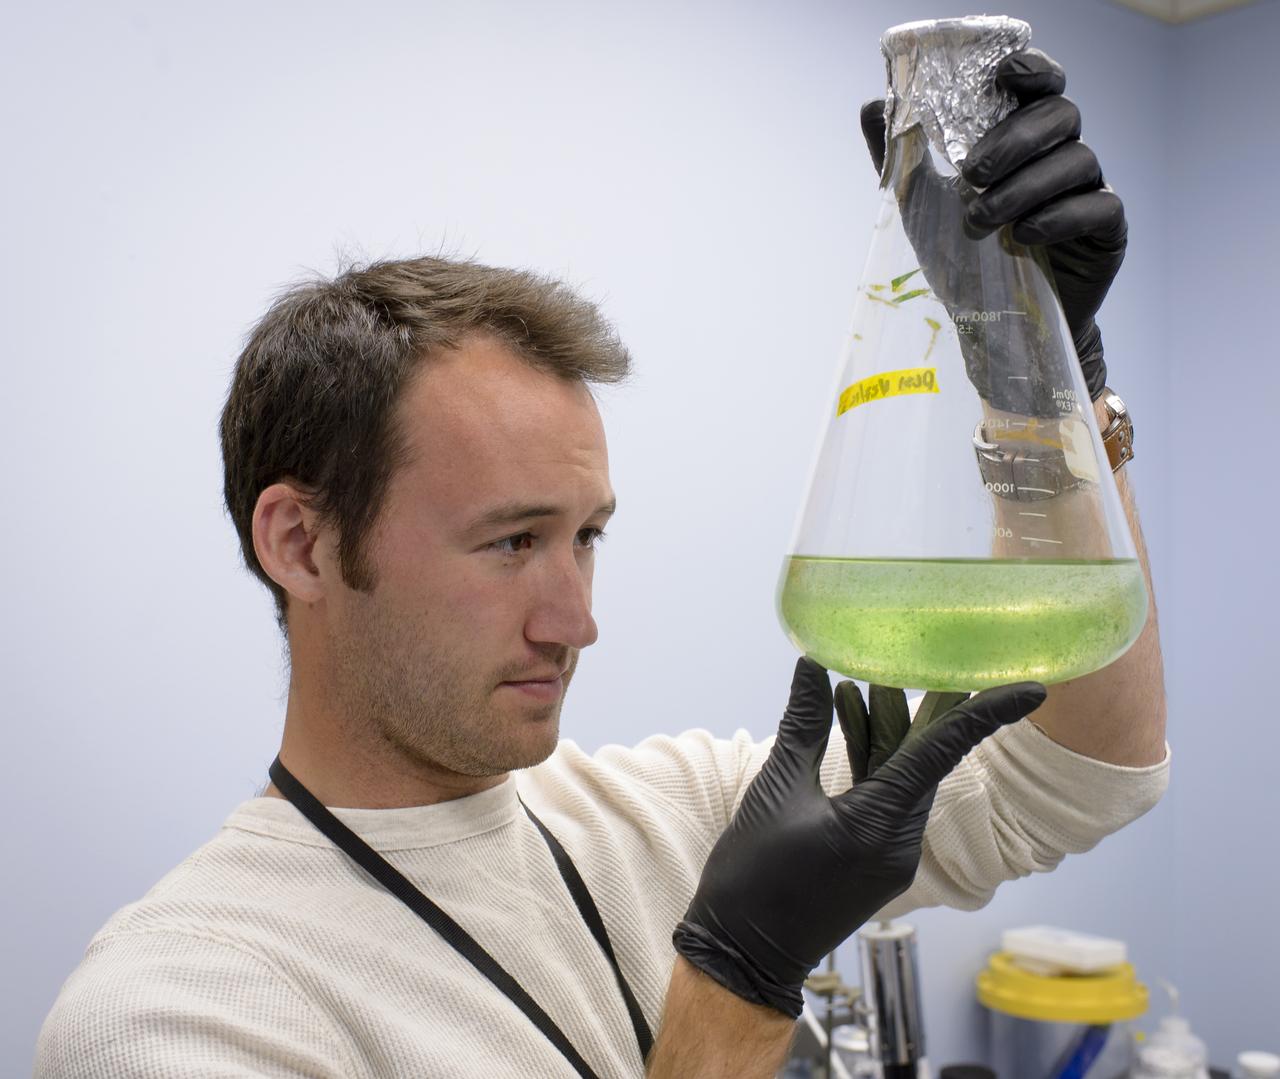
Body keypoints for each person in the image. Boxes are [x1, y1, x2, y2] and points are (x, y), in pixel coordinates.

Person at [35, 48, 1168, 1078]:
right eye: (511, 541)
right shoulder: (179, 1011)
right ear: (300, 542)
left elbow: (1071, 776)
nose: (575, 621)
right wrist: (738, 974)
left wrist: (1038, 382)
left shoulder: (666, 817)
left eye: (587, 536)